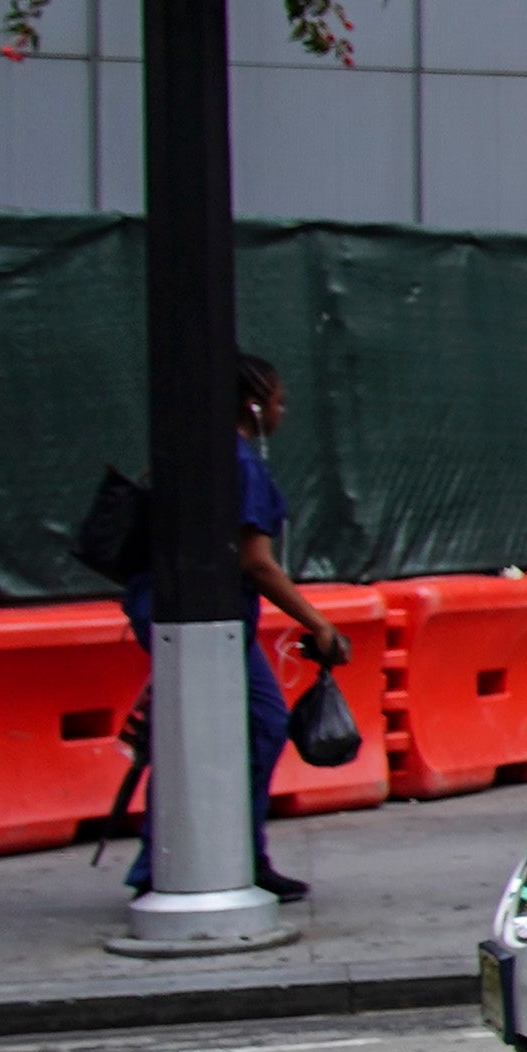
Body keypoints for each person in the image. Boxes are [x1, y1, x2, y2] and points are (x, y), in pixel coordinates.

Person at [156, 354, 353, 899]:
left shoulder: (200, 455)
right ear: (254, 403)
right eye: (279, 401)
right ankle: (234, 853)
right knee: (262, 724)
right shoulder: (240, 465)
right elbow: (257, 561)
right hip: (212, 624)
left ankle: (175, 855)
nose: (282, 412)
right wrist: (319, 624)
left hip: (185, 619)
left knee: (187, 736)